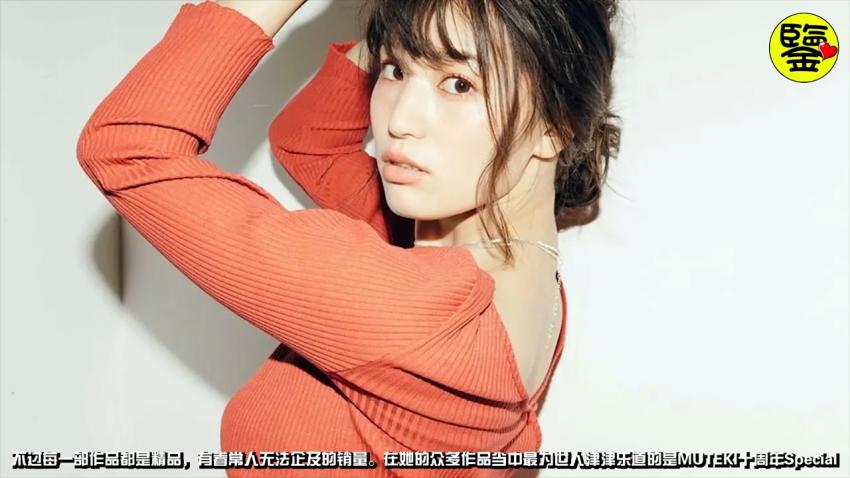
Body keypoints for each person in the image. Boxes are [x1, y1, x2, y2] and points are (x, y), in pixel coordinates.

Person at [76, 0, 621, 476]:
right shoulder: (516, 283)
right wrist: (412, 22)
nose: (400, 120)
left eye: (459, 83)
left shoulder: (420, 312)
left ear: (554, 125)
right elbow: (308, 142)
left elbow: (128, 147)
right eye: (395, 70)